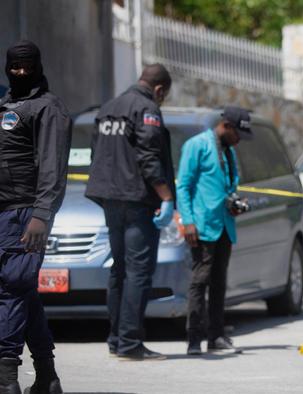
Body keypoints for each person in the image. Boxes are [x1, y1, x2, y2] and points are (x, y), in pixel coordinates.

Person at [85, 64, 176, 361]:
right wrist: (165, 197)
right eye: (163, 96)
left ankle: (116, 340)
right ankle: (130, 343)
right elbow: (148, 155)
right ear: (159, 89)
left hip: (110, 198)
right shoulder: (146, 108)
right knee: (138, 272)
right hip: (137, 199)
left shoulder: (108, 108)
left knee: (120, 269)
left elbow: (96, 152)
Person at [0, 40, 71, 394]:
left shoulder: (48, 108)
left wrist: (41, 215)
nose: (21, 73)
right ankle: (47, 376)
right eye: (15, 67)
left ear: (38, 66)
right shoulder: (7, 105)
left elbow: (52, 168)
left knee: (11, 289)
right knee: (23, 291)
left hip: (27, 215)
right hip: (4, 214)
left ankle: (6, 377)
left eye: (27, 67)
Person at [176, 106, 252, 356]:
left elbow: (227, 186)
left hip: (224, 227)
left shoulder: (229, 151)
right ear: (227, 126)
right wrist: (188, 221)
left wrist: (234, 203)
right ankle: (194, 338)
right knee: (200, 282)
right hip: (202, 227)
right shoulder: (197, 145)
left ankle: (216, 335)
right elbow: (184, 186)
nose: (240, 140)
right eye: (238, 134)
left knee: (219, 283)